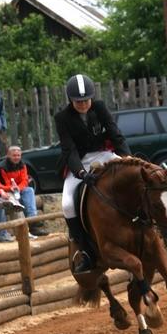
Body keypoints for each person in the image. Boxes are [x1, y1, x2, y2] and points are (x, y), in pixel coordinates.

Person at [54, 73, 131, 273]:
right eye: (78, 102)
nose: (83, 104)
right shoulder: (62, 118)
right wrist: (81, 173)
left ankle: (147, 226)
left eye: (86, 100)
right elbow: (69, 149)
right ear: (71, 100)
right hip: (79, 161)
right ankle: (85, 251)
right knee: (67, 205)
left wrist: (127, 158)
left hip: (104, 154)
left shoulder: (100, 107)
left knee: (133, 177)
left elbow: (115, 133)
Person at [0, 145, 48, 237]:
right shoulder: (1, 167)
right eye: (14, 155)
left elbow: (25, 180)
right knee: (16, 202)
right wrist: (12, 188)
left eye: (18, 155)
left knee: (29, 190)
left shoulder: (23, 164)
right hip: (6, 191)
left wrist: (18, 188)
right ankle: (22, 229)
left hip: (18, 189)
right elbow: (4, 183)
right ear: (8, 155)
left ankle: (32, 221)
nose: (16, 157)